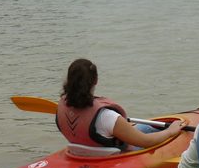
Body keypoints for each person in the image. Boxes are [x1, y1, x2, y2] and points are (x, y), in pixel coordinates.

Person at [56, 58, 185, 150]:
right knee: (154, 133)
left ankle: (160, 129)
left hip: (83, 151)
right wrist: (171, 132)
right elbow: (146, 142)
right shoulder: (107, 116)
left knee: (145, 127)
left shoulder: (61, 105)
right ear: (95, 80)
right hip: (112, 156)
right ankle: (169, 131)